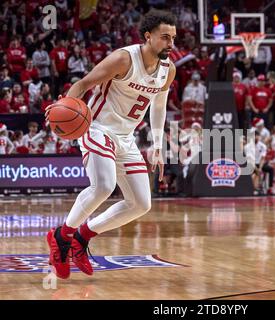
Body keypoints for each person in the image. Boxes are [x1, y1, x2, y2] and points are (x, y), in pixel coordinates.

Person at [45, 10, 177, 279]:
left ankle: (82, 236)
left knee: (141, 203)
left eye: (173, 37)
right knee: (103, 186)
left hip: (125, 137)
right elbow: (83, 84)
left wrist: (158, 147)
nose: (171, 43)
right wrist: (63, 105)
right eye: (165, 37)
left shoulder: (168, 70)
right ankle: (62, 236)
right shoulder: (124, 59)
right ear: (148, 37)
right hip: (97, 127)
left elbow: (159, 106)